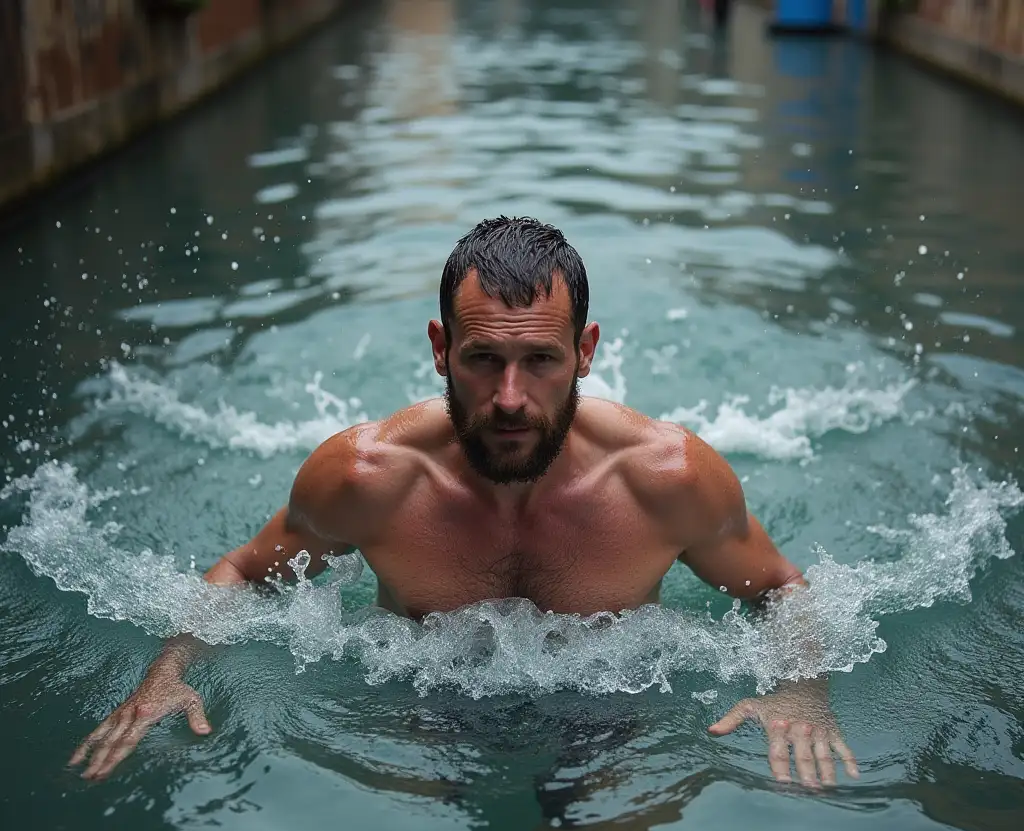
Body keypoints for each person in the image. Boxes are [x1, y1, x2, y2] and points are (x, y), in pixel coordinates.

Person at [70, 216, 858, 788]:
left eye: (540, 361)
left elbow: (780, 589)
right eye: (482, 359)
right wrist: (167, 673)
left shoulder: (669, 478)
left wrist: (800, 688)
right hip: (425, 705)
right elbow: (246, 572)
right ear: (441, 348)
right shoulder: (366, 477)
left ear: (585, 353)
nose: (510, 398)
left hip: (612, 715)